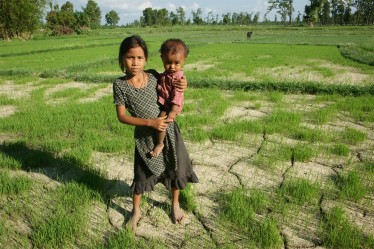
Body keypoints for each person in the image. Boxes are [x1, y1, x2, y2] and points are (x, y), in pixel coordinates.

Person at [113, 35, 198, 234]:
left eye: (140, 58)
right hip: (144, 136)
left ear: (146, 60)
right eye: (130, 57)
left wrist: (184, 83)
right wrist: (150, 122)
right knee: (141, 174)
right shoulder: (120, 84)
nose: (135, 62)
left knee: (174, 167)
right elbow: (122, 116)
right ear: (122, 59)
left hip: (168, 130)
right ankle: (135, 211)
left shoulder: (153, 76)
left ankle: (175, 204)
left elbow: (173, 81)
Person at [150, 38, 189, 157]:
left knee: (162, 118)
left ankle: (160, 143)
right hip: (167, 103)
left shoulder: (177, 77)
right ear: (162, 58)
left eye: (176, 63)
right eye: (168, 62)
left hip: (172, 105)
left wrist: (173, 110)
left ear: (183, 60)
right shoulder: (166, 74)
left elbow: (178, 95)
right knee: (169, 124)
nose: (172, 66)